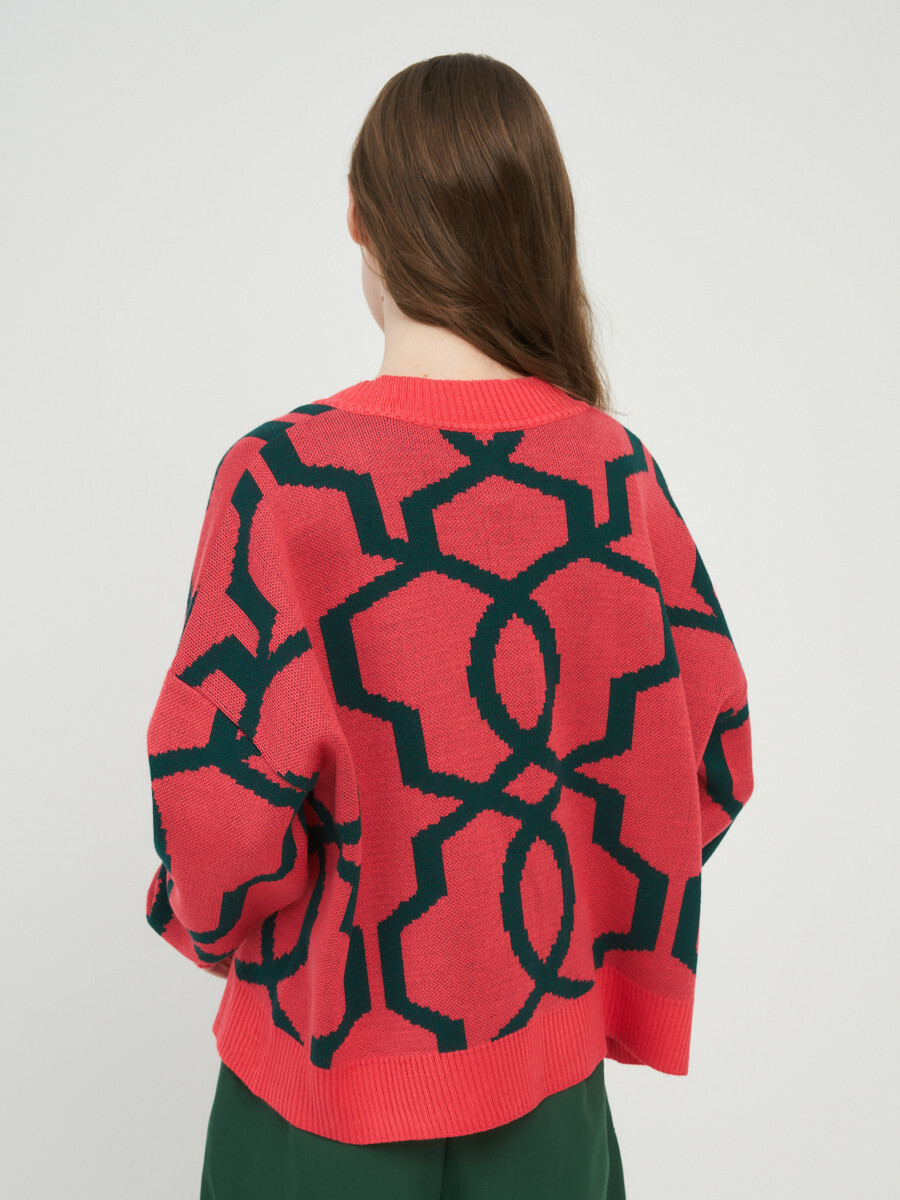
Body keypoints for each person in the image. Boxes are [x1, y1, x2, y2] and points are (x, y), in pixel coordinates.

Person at [144, 53, 754, 1200]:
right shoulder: (615, 482)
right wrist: (563, 914)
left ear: (359, 218)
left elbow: (220, 822)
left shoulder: (285, 485)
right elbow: (711, 753)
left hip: (320, 1097)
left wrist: (214, 920)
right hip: (550, 1098)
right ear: (540, 226)